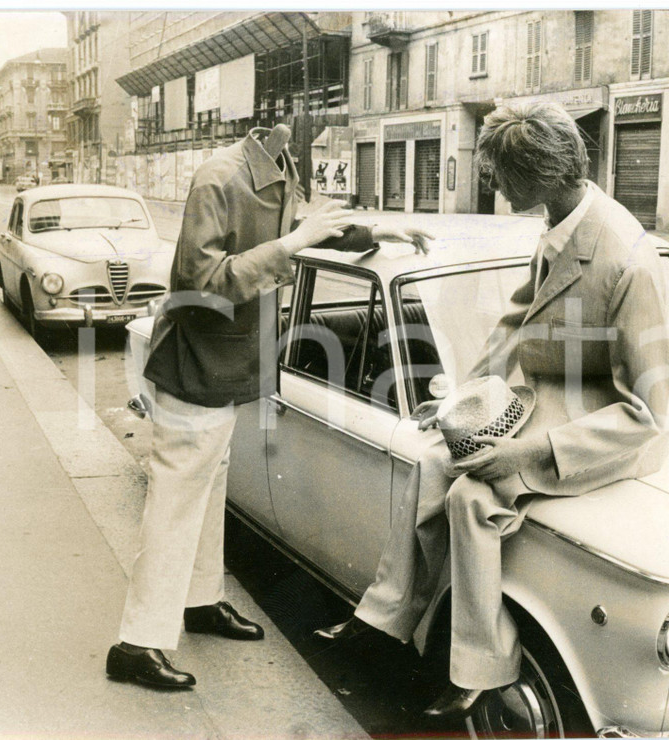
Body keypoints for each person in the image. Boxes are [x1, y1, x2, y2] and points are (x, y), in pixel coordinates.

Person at [314, 102, 669, 719]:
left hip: (604, 430)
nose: (494, 186)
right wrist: (460, 400)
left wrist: (524, 450)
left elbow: (645, 413)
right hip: (554, 401)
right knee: (429, 463)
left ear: (543, 173)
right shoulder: (563, 226)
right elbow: (515, 323)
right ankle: (384, 615)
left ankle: (484, 664)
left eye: (503, 174)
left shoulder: (629, 262)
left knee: (471, 497)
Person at [106, 123, 432, 690]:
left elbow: (308, 231)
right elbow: (199, 281)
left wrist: (380, 229)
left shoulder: (272, 169)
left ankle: (200, 601)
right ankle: (136, 643)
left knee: (207, 490)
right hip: (195, 369)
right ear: (271, 132)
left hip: (223, 366)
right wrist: (290, 244)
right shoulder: (220, 179)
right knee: (176, 504)